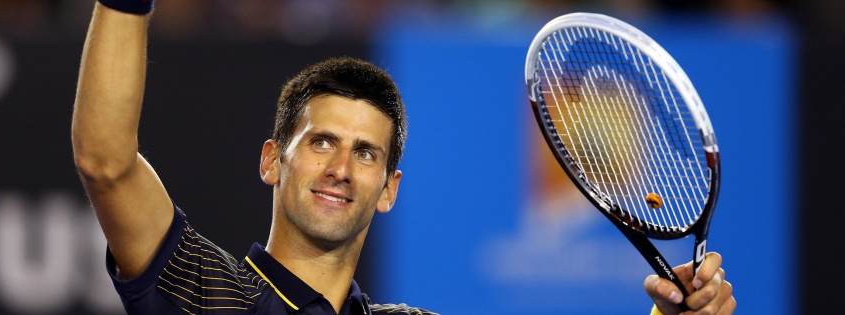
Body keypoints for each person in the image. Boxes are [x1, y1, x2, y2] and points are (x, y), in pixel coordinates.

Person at [71, 1, 736, 314]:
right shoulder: (204, 289)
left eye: (365, 153)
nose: (340, 167)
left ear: (388, 189)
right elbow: (106, 161)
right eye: (321, 142)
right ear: (272, 160)